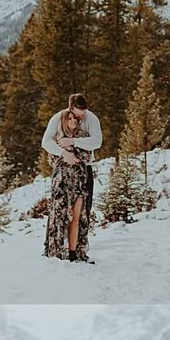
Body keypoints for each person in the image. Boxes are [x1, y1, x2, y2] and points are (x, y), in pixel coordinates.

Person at [41, 94, 103, 262]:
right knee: (58, 211)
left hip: (84, 171)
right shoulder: (59, 118)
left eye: (83, 112)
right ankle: (51, 248)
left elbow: (97, 142)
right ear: (70, 108)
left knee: (83, 212)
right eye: (78, 112)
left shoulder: (91, 119)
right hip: (63, 173)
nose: (80, 115)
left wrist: (73, 142)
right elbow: (46, 142)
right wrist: (63, 153)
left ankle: (77, 250)